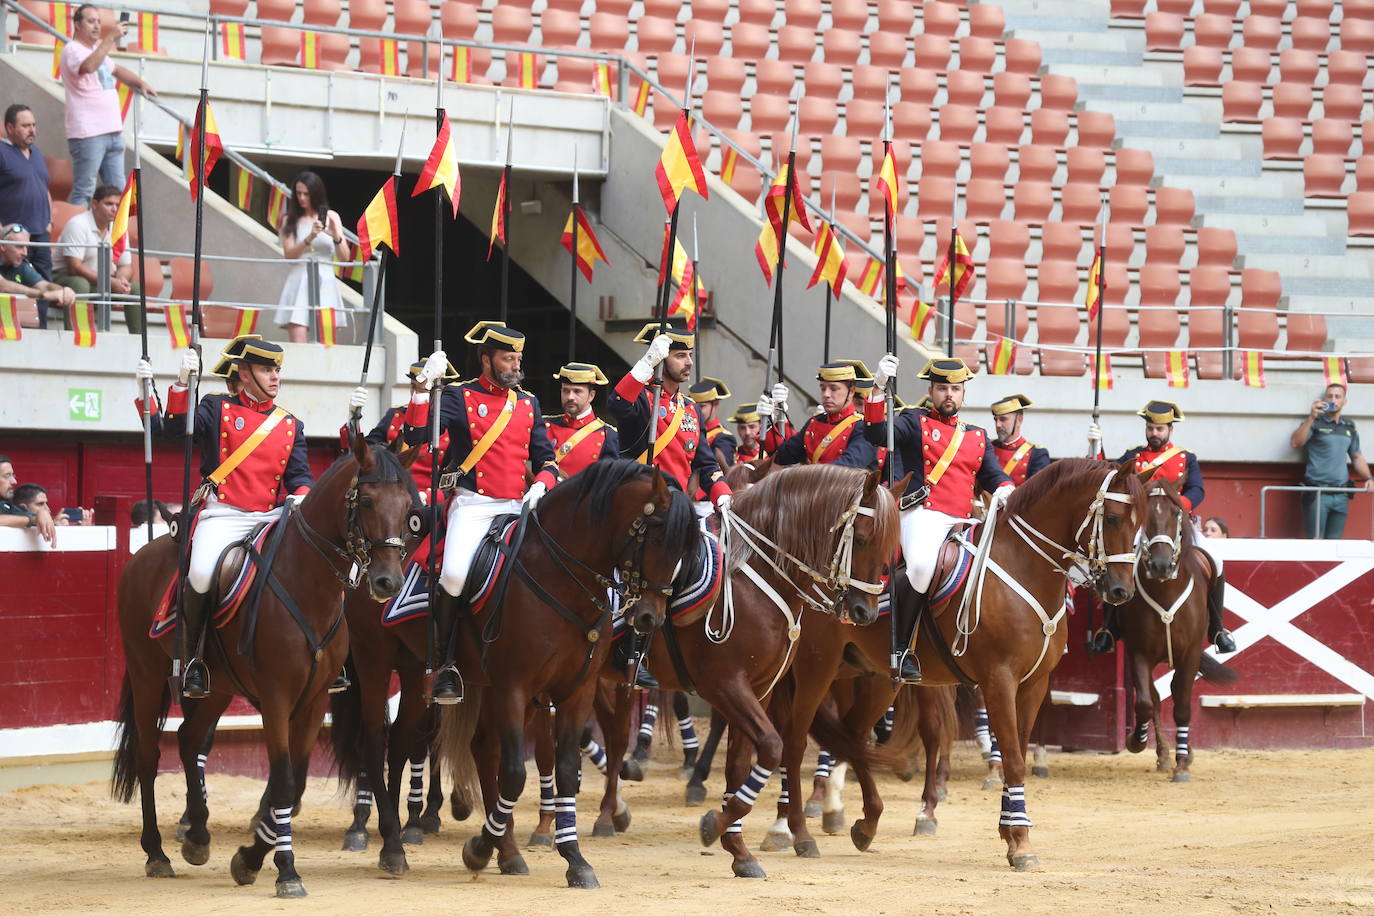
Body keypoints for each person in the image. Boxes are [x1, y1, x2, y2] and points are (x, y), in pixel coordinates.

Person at [138, 334, 339, 698]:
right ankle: (194, 658)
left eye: (277, 369)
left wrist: (300, 497)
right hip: (224, 513)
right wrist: (182, 383)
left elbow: (299, 477)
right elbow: (173, 430)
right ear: (244, 374)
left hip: (269, 516)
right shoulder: (215, 407)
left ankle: (327, 653)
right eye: (266, 369)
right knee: (199, 573)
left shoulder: (291, 424)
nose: (275, 377)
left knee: (319, 566)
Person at [403, 321, 560, 704]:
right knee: (454, 574)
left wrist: (541, 484)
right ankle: (445, 663)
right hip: (474, 505)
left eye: (518, 358)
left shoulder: (528, 402)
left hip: (518, 505)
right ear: (486, 359)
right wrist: (424, 390)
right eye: (508, 359)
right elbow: (416, 438)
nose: (515, 365)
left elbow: (547, 459)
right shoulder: (459, 396)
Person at [864, 355, 1014, 683]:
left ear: (963, 394)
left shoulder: (976, 435)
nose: (949, 394)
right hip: (924, 513)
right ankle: (901, 648)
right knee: (919, 567)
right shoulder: (911, 421)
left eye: (955, 389)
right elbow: (876, 432)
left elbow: (992, 474)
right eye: (943, 388)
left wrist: (1005, 488)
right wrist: (877, 387)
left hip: (964, 519)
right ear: (932, 391)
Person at [608, 322, 733, 686]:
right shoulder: (643, 401)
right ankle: (627, 649)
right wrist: (646, 364)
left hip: (679, 509)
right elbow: (616, 404)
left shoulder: (691, 410)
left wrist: (722, 494)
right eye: (680, 355)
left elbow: (706, 465)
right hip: (642, 507)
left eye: (689, 355)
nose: (688, 362)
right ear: (663, 359)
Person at [1089, 400, 1235, 655]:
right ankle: (1110, 627)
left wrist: (1177, 506)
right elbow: (1110, 475)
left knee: (1216, 560)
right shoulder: (1133, 456)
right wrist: (1097, 447)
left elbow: (1197, 489)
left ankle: (1217, 628)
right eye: (1150, 428)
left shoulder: (1186, 457)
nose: (1154, 433)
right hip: (1140, 523)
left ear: (1170, 430)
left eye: (1159, 429)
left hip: (1175, 522)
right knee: (1118, 561)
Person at [59, 4, 156, 206]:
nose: (96, 26)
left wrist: (140, 82)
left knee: (118, 194)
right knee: (84, 190)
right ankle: (77, 238)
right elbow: (88, 66)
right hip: (88, 133)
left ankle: (115, 238)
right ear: (77, 24)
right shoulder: (72, 49)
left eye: (98, 21)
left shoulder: (96, 50)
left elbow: (117, 69)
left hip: (112, 131)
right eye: (90, 21)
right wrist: (110, 38)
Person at [1290, 382, 1374, 539]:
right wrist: (1311, 417)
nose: (1333, 400)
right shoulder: (1314, 422)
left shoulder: (1349, 426)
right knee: (1316, 543)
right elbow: (1295, 443)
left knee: (1335, 544)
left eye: (1337, 396)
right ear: (1324, 400)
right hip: (1318, 493)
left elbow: (1356, 456)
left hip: (1342, 493)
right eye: (1330, 396)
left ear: (1344, 401)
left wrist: (1369, 478)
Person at [53, 182, 141, 331]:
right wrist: (111, 282)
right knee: (80, 284)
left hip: (100, 281)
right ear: (94, 204)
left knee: (134, 288)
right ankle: (78, 338)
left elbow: (125, 266)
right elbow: (74, 267)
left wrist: (121, 280)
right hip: (63, 278)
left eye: (117, 205)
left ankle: (140, 342)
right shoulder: (78, 224)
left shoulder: (119, 227)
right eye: (109, 204)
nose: (114, 209)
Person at [275, 171, 350, 343]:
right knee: (298, 337)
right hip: (299, 278)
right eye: (299, 193)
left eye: (306, 194)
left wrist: (335, 234)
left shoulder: (332, 217)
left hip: (325, 279)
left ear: (315, 194)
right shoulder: (290, 219)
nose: (302, 198)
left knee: (327, 342)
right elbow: (289, 255)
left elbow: (345, 258)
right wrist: (310, 237)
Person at [770, 361, 878, 470]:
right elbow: (782, 457)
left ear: (851, 391)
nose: (826, 394)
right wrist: (770, 421)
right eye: (823, 388)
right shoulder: (814, 422)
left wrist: (806, 474)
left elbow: (849, 466)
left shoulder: (865, 428)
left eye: (834, 388)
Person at [0, 104, 54, 280]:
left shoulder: (37, 153)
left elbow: (44, 187)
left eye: (33, 125)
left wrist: (50, 221)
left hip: (41, 234)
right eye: (25, 126)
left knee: (45, 284)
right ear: (10, 127)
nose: (32, 130)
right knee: (18, 287)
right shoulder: (2, 152)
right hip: (15, 236)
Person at [545, 362, 620, 479]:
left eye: (577, 391)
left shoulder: (608, 435)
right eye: (565, 390)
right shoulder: (544, 425)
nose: (570, 397)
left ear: (591, 395)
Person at [1, 223, 76, 328]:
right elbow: (4, 286)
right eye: (19, 247)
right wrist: (43, 294)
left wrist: (62, 291)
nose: (25, 253)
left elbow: (44, 285)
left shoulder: (21, 265)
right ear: (3, 246)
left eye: (26, 247)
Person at [989, 394, 1051, 484]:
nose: (998, 425)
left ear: (1019, 419)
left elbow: (1038, 491)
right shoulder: (988, 447)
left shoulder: (1037, 454)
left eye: (1003, 419)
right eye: (996, 420)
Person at [0, 455, 57, 543]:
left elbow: (26, 515)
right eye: (7, 475)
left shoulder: (6, 506)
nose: (14, 481)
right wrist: (32, 519)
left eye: (13, 476)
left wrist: (50, 518)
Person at [687, 377, 738, 469]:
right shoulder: (689, 429)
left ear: (715, 404)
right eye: (694, 406)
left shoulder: (724, 438)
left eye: (702, 406)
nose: (696, 411)